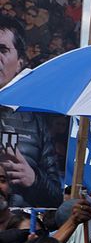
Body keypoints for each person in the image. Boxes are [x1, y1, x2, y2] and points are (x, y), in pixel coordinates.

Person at [0, 15, 62, 207]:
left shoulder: (36, 122)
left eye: (2, 50)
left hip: (20, 223)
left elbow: (55, 198)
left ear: (20, 62)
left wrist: (33, 179)